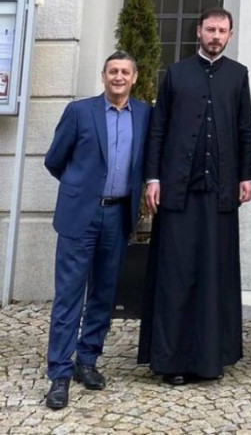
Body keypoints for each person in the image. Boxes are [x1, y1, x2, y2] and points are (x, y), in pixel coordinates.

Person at [138, 8, 251, 385]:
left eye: (222, 30)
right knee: (175, 275)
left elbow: (245, 129)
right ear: (199, 32)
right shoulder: (176, 74)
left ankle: (209, 358)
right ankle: (171, 361)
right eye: (210, 29)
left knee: (213, 275)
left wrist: (247, 175)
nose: (216, 36)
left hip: (219, 193)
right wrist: (153, 178)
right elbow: (158, 129)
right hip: (178, 192)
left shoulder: (238, 75)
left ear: (230, 35)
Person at [43, 51, 150, 410]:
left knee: (104, 294)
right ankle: (60, 372)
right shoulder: (79, 112)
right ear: (103, 76)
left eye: (125, 72)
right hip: (80, 216)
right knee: (69, 295)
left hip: (118, 216)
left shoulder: (144, 114)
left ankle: (87, 360)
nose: (118, 77)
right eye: (112, 71)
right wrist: (80, 188)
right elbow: (54, 160)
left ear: (134, 78)